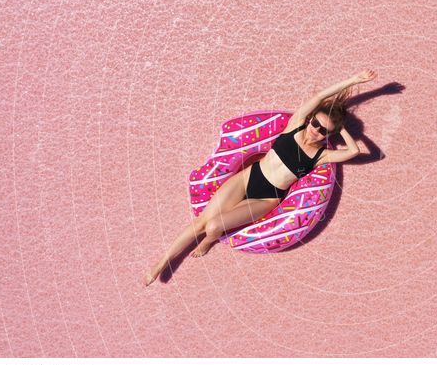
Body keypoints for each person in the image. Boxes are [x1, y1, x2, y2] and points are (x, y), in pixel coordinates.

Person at [144, 69, 378, 286]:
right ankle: (162, 262)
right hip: (248, 178)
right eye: (315, 123)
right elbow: (318, 99)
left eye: (322, 130)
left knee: (214, 227)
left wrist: (339, 128)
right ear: (310, 119)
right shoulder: (294, 125)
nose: (315, 130)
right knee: (202, 222)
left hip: (266, 198)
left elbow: (354, 151)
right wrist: (353, 81)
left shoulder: (320, 155)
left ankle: (208, 241)